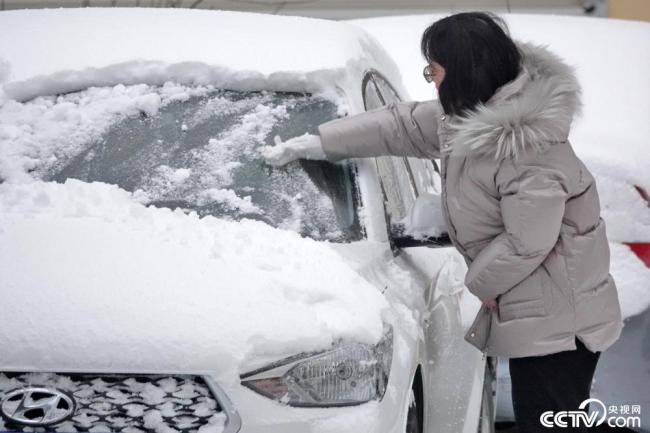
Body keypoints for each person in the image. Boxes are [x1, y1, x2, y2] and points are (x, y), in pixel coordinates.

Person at [259, 11, 624, 432]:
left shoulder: (527, 147)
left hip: (561, 321)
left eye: (434, 67)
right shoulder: (473, 115)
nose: (430, 76)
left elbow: (527, 241)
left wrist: (482, 287)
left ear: (465, 70)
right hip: (538, 306)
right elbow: (401, 126)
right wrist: (321, 141)